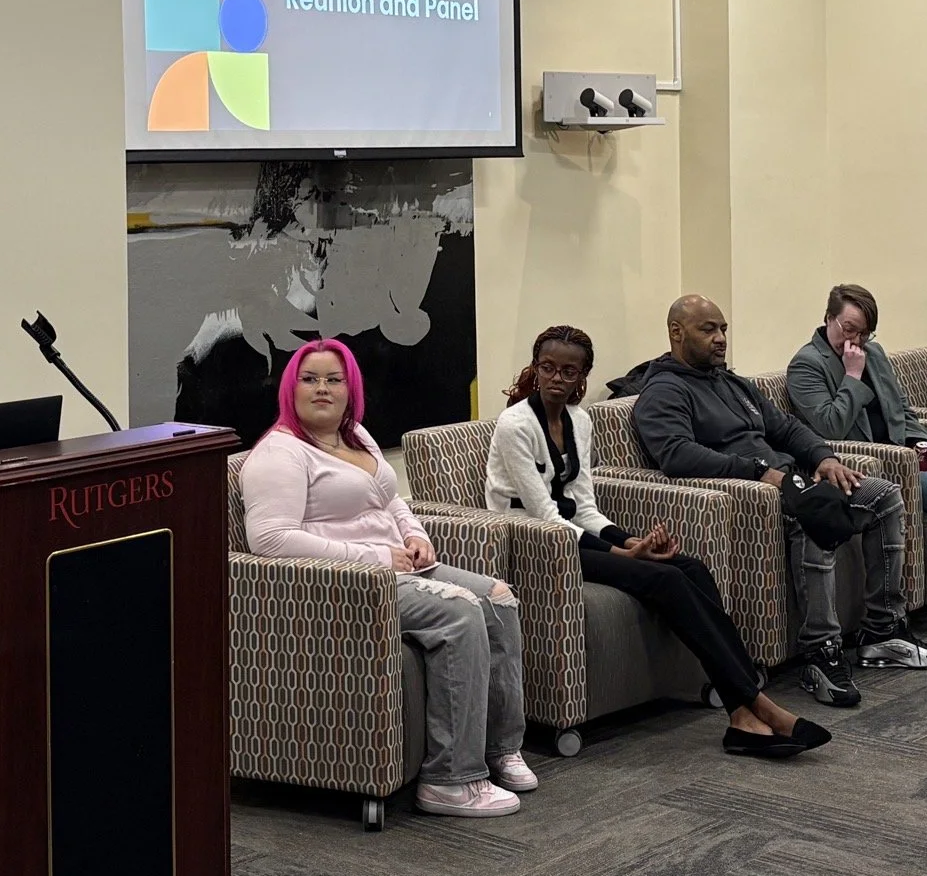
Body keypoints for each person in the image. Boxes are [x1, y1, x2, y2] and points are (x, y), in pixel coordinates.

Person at [485, 325, 830, 759]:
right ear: (535, 369)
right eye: (548, 368)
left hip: (571, 536)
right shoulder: (516, 424)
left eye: (569, 372)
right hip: (533, 545)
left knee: (690, 568)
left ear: (583, 377)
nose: (556, 379)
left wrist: (630, 540)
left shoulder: (579, 421)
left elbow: (585, 507)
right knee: (664, 581)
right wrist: (622, 552)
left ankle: (742, 712)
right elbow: (545, 516)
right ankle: (754, 703)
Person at [241, 338, 532, 817]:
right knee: (459, 612)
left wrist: (417, 536)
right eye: (309, 379)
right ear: (290, 388)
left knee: (497, 598)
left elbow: (390, 500)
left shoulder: (354, 433)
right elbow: (271, 541)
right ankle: (451, 779)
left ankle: (499, 746)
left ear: (350, 388)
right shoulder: (280, 453)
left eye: (333, 379)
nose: (322, 388)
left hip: (398, 567)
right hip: (345, 584)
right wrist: (376, 556)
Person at [631, 295, 927, 712]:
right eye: (709, 330)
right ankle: (821, 650)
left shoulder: (732, 383)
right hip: (752, 497)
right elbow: (676, 454)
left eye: (723, 328)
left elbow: (787, 427)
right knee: (814, 515)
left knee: (884, 496)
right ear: (676, 332)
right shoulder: (664, 391)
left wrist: (824, 457)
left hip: (793, 480)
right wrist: (758, 471)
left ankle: (883, 630)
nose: (721, 338)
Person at [787, 284, 927, 639]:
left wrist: (921, 442)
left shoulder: (874, 352)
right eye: (848, 328)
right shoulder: (807, 365)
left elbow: (902, 408)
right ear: (828, 318)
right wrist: (852, 376)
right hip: (868, 463)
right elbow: (830, 427)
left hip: (902, 451)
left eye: (864, 332)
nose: (856, 339)